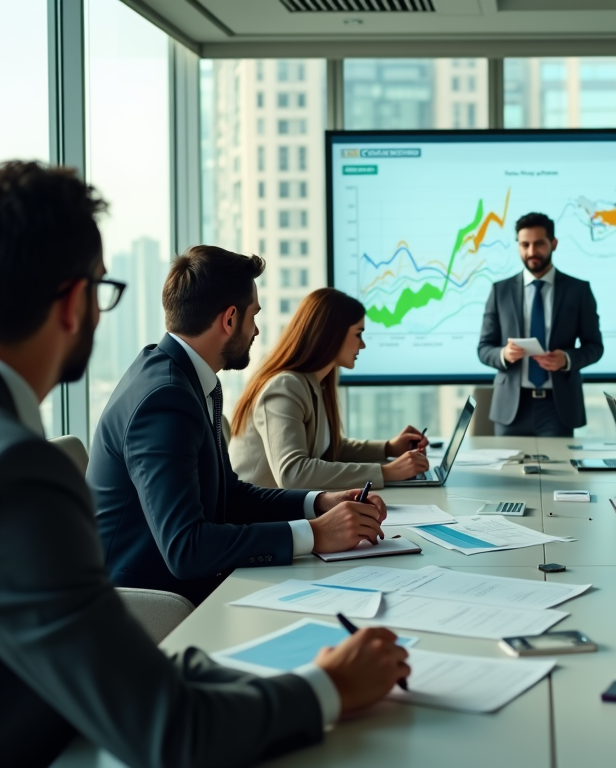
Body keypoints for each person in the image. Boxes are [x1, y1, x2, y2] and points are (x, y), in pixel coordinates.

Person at [0, 161, 409, 767]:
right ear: (72, 302)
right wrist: (330, 687)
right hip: (151, 621)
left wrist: (313, 507)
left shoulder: (185, 382)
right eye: (101, 289)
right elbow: (170, 725)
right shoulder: (40, 463)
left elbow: (228, 494)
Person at [89, 245, 389, 606]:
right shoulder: (165, 398)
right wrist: (314, 535)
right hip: (149, 606)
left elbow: (230, 496)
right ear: (230, 320)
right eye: (254, 316)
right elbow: (187, 548)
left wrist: (320, 503)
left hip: (184, 587)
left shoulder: (183, 379)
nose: (257, 330)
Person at [229, 287, 429, 489]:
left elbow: (332, 448)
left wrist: (389, 447)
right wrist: (387, 472)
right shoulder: (285, 387)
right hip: (259, 516)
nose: (362, 345)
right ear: (333, 335)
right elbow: (293, 473)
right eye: (358, 334)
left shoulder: (317, 382)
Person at [478, 212, 603, 437]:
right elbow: (484, 349)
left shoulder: (578, 290)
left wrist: (566, 359)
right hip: (511, 408)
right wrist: (504, 354)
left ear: (553, 244)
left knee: (558, 471)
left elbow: (595, 346)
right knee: (505, 472)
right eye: (524, 244)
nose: (531, 252)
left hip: (558, 407)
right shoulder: (500, 291)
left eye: (539, 244)